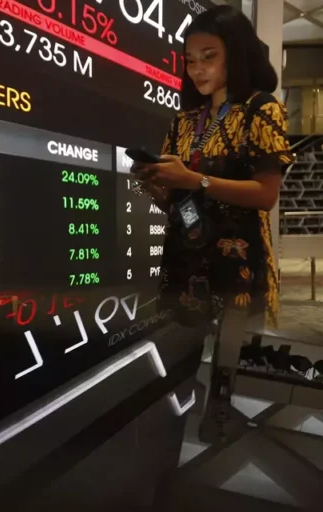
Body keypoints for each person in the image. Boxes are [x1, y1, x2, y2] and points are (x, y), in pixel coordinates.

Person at [131, 5, 292, 442]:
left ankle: (219, 413)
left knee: (229, 343)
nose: (198, 68)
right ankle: (177, 418)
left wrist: (195, 179)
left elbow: (266, 195)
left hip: (238, 253)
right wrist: (153, 182)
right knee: (185, 340)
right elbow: (175, 202)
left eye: (209, 56)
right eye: (191, 59)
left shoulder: (261, 110)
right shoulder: (184, 121)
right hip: (187, 248)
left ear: (234, 56)